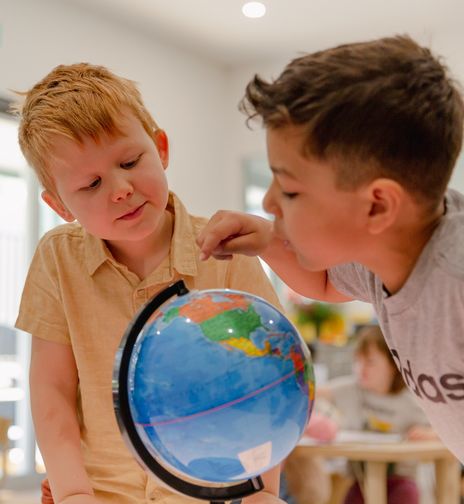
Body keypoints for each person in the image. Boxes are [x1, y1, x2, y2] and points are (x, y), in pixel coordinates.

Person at [14, 63, 283, 504]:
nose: (120, 188)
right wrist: (72, 492)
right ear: (61, 205)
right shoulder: (57, 257)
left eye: (130, 162)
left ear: (160, 148)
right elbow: (52, 392)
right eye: (92, 184)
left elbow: (268, 382)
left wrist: (262, 491)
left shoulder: (227, 251)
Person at [196, 35, 464, 463]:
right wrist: (269, 239)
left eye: (289, 189)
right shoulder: (389, 253)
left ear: (377, 205)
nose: (268, 202)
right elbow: (324, 281)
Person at [306, 325, 437, 504]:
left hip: (401, 481)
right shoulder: (352, 388)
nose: (361, 369)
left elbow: (444, 429)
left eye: (370, 362)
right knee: (351, 497)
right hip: (360, 481)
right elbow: (313, 392)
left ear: (393, 365)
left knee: (406, 494)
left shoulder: (412, 400)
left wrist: (429, 433)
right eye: (357, 361)